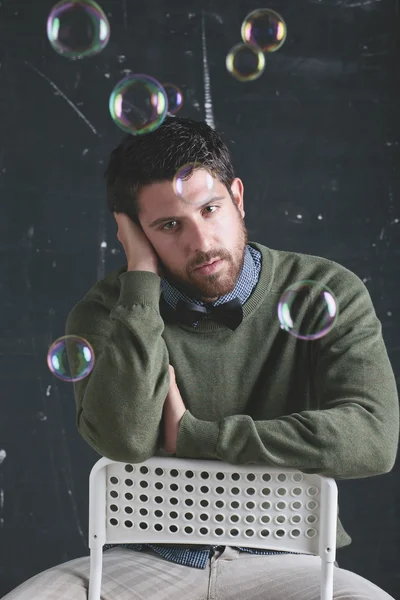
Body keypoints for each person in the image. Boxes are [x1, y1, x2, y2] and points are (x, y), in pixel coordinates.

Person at [3, 116, 398, 600]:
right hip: (146, 559)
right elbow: (125, 440)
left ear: (238, 196)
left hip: (287, 558)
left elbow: (374, 440)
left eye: (210, 209)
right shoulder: (109, 308)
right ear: (138, 235)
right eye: (169, 226)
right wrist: (141, 282)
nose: (201, 242)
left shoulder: (328, 290)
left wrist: (199, 436)